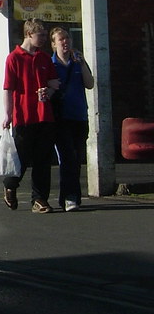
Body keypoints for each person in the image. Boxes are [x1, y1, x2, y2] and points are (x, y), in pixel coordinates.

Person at [1, 18, 61, 213]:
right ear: (28, 34)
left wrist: (48, 92)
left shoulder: (44, 58)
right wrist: (8, 115)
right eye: (40, 35)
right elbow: (8, 88)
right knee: (22, 158)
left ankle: (40, 199)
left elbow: (54, 83)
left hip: (45, 116)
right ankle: (10, 186)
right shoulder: (14, 58)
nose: (43, 39)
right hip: (24, 116)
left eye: (45, 35)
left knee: (43, 160)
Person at [50, 27, 94, 211]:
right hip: (61, 118)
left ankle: (68, 197)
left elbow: (90, 84)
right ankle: (70, 198)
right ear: (54, 44)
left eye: (67, 38)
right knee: (67, 158)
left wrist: (82, 64)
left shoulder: (77, 63)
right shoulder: (51, 65)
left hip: (79, 116)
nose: (65, 42)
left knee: (76, 159)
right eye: (61, 40)